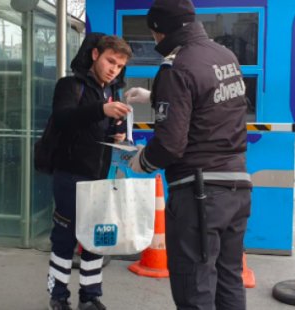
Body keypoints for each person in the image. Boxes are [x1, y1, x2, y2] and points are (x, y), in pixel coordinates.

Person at [126, 0, 252, 308]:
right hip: (237, 187)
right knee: (229, 279)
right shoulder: (225, 55)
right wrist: (156, 95)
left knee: (195, 287)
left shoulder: (176, 66)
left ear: (160, 31)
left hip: (199, 195)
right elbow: (209, 100)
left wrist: (142, 161)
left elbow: (169, 145)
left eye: (154, 34)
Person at [46, 34, 132, 310]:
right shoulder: (70, 85)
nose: (113, 69)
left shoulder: (111, 92)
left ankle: (90, 296)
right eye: (110, 61)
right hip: (69, 176)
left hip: (98, 178)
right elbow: (63, 118)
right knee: (64, 238)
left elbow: (99, 128)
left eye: (119, 66)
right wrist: (101, 110)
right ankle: (58, 297)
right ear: (95, 55)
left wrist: (117, 133)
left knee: (96, 238)